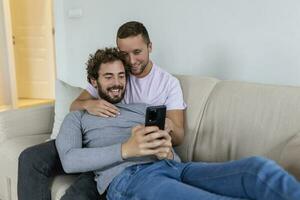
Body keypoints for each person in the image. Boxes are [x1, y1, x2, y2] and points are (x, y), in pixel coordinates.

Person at [56, 47, 300, 200]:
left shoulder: (142, 109)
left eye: (121, 76)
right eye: (108, 77)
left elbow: (168, 143)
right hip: (129, 179)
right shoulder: (77, 117)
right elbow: (69, 161)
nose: (117, 83)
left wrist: (166, 148)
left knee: (257, 170)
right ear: (93, 80)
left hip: (175, 168)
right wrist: (126, 150)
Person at [18, 21, 186, 200]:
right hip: (92, 137)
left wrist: (165, 128)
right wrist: (88, 104)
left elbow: (178, 136)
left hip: (124, 149)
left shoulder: (167, 83)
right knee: (30, 158)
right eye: (125, 54)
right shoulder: (117, 71)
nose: (131, 61)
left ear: (149, 47)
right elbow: (75, 105)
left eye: (137, 52)